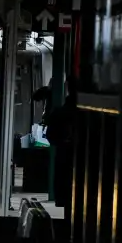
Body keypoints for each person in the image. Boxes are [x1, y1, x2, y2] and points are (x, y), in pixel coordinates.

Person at [45, 77, 78, 217]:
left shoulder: (59, 113)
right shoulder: (89, 115)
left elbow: (50, 136)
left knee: (66, 203)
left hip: (64, 161)